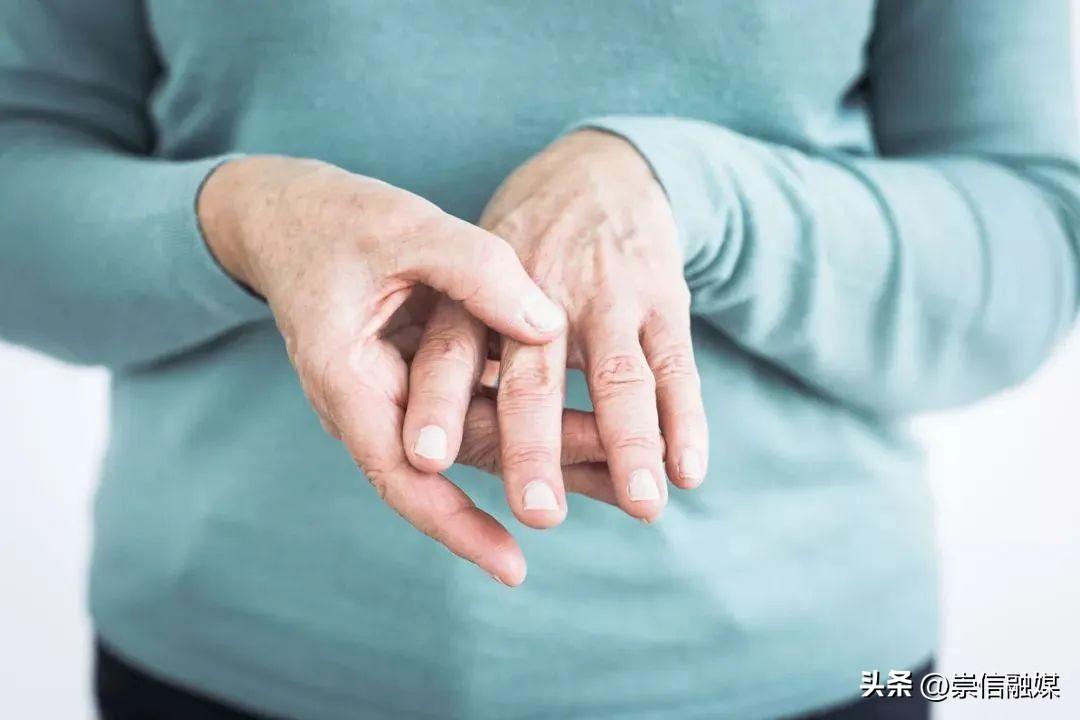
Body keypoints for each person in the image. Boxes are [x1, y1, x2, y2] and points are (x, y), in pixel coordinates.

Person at [1, 1, 1077, 719]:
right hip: (224, 660)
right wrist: (239, 220)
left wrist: (695, 197)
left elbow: (1034, 243)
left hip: (809, 675)